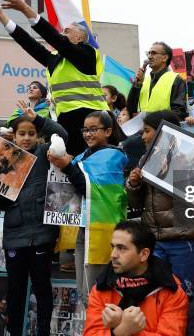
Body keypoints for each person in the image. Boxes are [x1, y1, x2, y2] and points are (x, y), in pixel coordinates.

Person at [0, 0, 108, 156]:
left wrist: (26, 9)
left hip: (93, 120)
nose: (62, 34)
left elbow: (56, 40)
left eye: (67, 31)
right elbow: (28, 43)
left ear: (80, 37)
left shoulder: (88, 54)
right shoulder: (55, 59)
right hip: (66, 121)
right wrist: (3, 17)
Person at [0, 105, 65, 336]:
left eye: (31, 133)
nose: (27, 137)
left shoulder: (45, 154)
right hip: (14, 237)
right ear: (14, 135)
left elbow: (64, 135)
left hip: (42, 234)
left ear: (38, 135)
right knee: (15, 289)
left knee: (41, 287)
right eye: (22, 133)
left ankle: (43, 332)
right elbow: (1, 204)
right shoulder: (5, 159)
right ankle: (14, 330)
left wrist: (38, 118)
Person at [48, 110, 127, 305]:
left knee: (98, 294)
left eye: (93, 129)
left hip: (103, 232)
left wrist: (67, 166)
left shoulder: (112, 156)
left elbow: (88, 189)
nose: (88, 134)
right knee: (84, 293)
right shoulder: (84, 156)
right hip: (84, 229)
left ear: (108, 131)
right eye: (85, 130)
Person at [127, 111, 194, 295]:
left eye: (146, 131)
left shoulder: (190, 160)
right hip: (154, 241)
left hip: (182, 241)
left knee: (183, 294)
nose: (143, 137)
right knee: (155, 294)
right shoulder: (144, 160)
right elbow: (137, 202)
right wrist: (134, 184)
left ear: (165, 132)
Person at [84, 221, 188, 336]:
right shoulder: (102, 286)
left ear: (144, 254)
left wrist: (123, 329)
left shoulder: (171, 290)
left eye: (122, 248)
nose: (113, 255)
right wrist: (121, 330)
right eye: (113, 247)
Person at [127, 43, 188, 120]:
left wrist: (149, 118)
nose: (149, 57)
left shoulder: (176, 79)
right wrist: (137, 85)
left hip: (163, 130)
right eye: (148, 53)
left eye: (153, 53)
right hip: (143, 131)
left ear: (165, 58)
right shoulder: (144, 81)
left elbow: (178, 112)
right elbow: (130, 109)